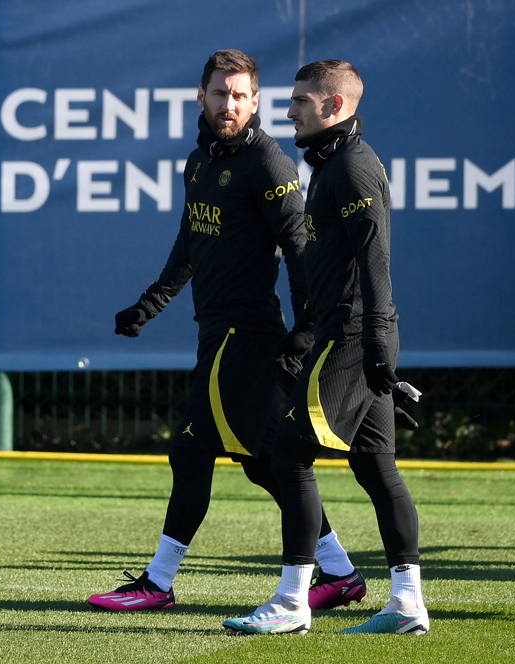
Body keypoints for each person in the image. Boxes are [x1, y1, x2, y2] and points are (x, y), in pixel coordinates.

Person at [87, 50, 367, 613]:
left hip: (247, 336)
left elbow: (298, 251)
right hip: (216, 333)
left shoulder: (269, 164)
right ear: (202, 96)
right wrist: (151, 303)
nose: (229, 104)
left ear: (256, 101)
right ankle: (340, 573)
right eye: (221, 93)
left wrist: (306, 329)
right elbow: (191, 240)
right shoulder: (200, 161)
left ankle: (157, 584)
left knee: (191, 453)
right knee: (266, 464)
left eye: (241, 95)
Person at [223, 60, 429, 636]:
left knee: (286, 455)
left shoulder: (354, 168)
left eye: (301, 101)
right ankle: (407, 602)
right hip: (346, 333)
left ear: (335, 106)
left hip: (355, 336)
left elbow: (376, 260)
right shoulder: (334, 162)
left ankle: (293, 602)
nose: (287, 110)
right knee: (375, 465)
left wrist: (378, 343)